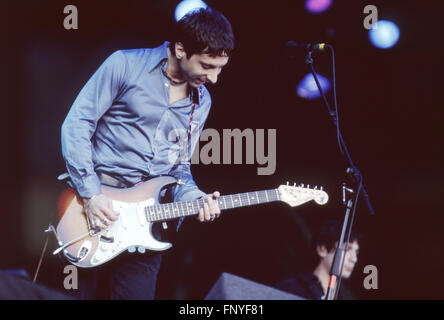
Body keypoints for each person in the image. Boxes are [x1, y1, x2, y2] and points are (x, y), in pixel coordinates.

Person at [60, 7, 234, 299]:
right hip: (91, 207)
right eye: (207, 65)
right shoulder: (125, 64)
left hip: (147, 226)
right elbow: (76, 125)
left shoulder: (201, 101)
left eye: (219, 68)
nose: (214, 78)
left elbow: (178, 169)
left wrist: (197, 199)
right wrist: (90, 196)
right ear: (180, 49)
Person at [275, 219, 361, 300]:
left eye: (356, 252)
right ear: (322, 249)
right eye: (346, 249)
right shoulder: (291, 288)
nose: (354, 259)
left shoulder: (344, 296)